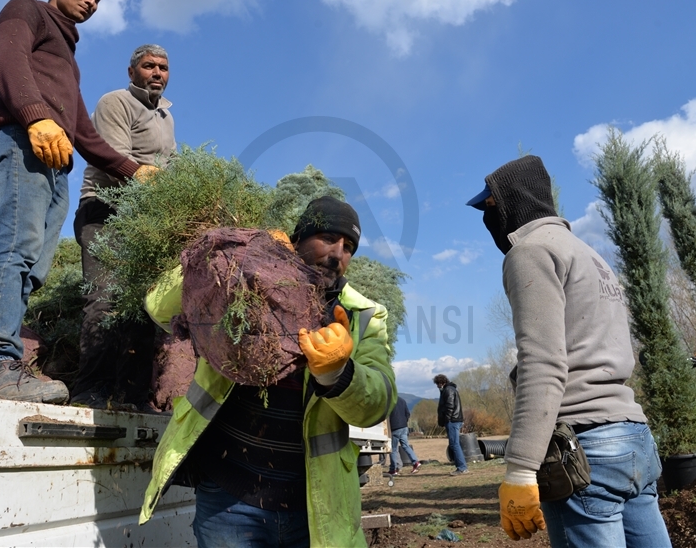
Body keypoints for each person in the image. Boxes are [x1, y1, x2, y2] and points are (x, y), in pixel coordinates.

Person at [139, 196, 397, 548]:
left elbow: (377, 403)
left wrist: (338, 373)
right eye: (326, 237)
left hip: (315, 508)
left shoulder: (364, 316)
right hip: (228, 501)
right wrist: (237, 249)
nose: (338, 254)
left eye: (349, 246)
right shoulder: (242, 279)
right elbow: (158, 308)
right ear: (298, 239)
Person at [0, 0, 157, 404]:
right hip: (19, 141)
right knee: (15, 247)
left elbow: (85, 134)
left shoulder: (68, 63)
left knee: (34, 266)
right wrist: (35, 117)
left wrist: (135, 172)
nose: (91, 0)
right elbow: (7, 60)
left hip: (56, 161)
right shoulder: (25, 9)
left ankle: (5, 364)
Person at [466, 155, 671, 547]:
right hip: (634, 439)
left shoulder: (529, 253)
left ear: (510, 203)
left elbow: (543, 362)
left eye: (489, 208)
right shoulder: (590, 256)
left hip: (585, 449)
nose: (487, 220)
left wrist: (522, 470)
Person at [71, 44, 176, 409]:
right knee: (105, 300)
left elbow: (172, 167)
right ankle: (90, 392)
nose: (157, 73)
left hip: (144, 221)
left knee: (144, 309)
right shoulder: (115, 102)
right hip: (105, 211)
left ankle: (132, 396)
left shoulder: (166, 116)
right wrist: (160, 186)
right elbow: (116, 161)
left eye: (163, 67)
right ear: (132, 72)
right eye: (149, 66)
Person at [434, 374, 468, 475]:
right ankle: (461, 466)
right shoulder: (449, 389)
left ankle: (462, 467)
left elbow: (449, 406)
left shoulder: (448, 390)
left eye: (437, 384)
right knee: (454, 444)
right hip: (454, 420)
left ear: (441, 382)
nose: (437, 386)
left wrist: (447, 419)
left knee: (454, 444)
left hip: (453, 420)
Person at [388, 395, 421, 475]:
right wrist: (404, 422)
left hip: (395, 427)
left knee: (393, 449)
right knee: (406, 446)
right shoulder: (402, 400)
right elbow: (407, 414)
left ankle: (394, 469)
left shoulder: (389, 402)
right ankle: (415, 462)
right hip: (404, 427)